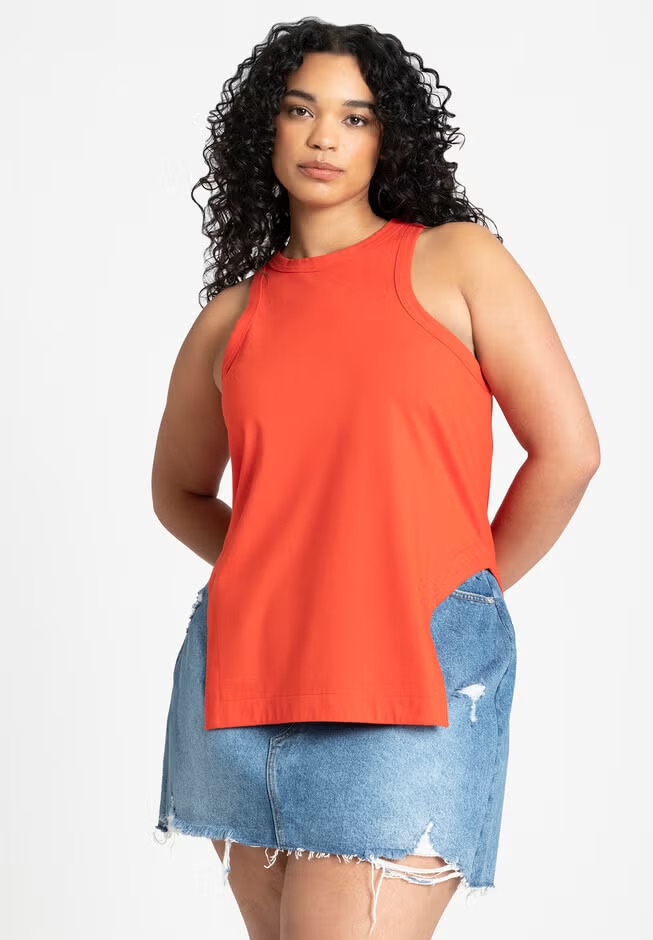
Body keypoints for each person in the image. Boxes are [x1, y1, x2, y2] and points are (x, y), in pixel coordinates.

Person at [151, 17, 600, 939]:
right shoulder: (228, 321)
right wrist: (288, 571)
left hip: (410, 682)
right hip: (245, 688)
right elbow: (178, 491)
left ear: (388, 135)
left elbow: (568, 451)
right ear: (261, 130)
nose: (324, 137)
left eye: (355, 118)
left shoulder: (455, 260)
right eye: (299, 110)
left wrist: (460, 591)